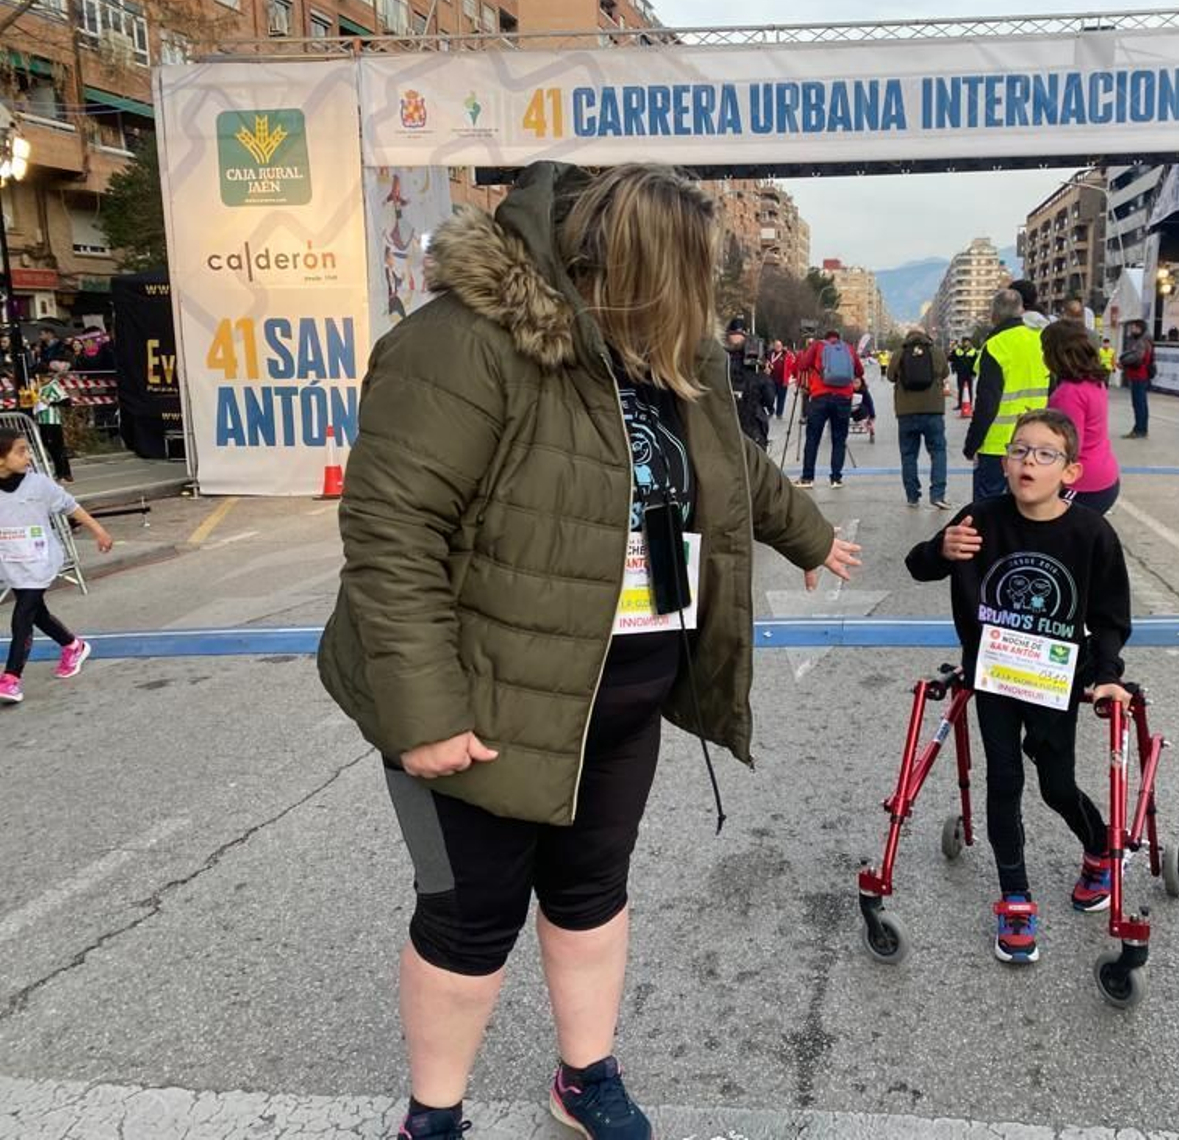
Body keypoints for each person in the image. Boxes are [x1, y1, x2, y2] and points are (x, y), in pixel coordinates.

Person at [317, 162, 862, 1140]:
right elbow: (391, 535)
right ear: (638, 267)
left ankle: (585, 1074)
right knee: (465, 926)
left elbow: (728, 461)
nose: (709, 303)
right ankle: (431, 1118)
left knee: (590, 896)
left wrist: (809, 534)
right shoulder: (461, 346)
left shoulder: (656, 350)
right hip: (484, 706)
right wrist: (424, 713)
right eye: (693, 276)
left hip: (621, 698)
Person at [905, 408, 1132, 963]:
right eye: (1019, 451)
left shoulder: (1091, 533)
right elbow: (918, 566)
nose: (1029, 461)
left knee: (1056, 783)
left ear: (1071, 472)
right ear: (1004, 464)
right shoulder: (979, 519)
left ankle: (1100, 848)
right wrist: (941, 550)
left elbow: (1109, 615)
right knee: (1003, 780)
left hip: (1055, 674)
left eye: (1045, 454)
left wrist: (1106, 676)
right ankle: (1015, 897)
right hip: (995, 672)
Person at [0, 427, 113, 705]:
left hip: (41, 560)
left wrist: (99, 531)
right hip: (12, 562)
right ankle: (73, 645)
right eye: (20, 451)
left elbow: (69, 506)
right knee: (37, 614)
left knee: (23, 615)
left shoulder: (38, 484)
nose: (28, 455)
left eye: (27, 449)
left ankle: (11, 678)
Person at [964, 288, 1050, 502]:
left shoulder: (995, 345)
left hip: (997, 444)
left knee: (987, 510)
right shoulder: (1042, 340)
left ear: (994, 315)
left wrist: (972, 444)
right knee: (1028, 505)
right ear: (1021, 311)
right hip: (1036, 440)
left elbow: (986, 402)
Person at [1044, 322, 1122, 515]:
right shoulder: (1094, 382)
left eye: (1044, 350)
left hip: (1081, 485)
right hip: (1105, 475)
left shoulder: (1068, 394)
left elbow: (1069, 447)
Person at [888, 327, 951, 510]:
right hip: (933, 411)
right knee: (938, 452)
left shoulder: (900, 352)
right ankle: (937, 494)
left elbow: (891, 376)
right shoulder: (936, 352)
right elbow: (945, 373)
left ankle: (912, 496)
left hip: (906, 412)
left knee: (908, 455)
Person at [794, 327, 864, 489]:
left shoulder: (818, 346)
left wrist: (806, 354)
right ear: (839, 338)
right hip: (843, 398)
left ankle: (807, 477)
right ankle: (836, 478)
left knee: (813, 438)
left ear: (825, 337)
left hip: (820, 396)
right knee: (839, 439)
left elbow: (803, 365)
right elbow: (860, 370)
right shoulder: (848, 348)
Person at [727, 324, 778, 450]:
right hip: (752, 429)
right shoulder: (756, 370)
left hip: (725, 429)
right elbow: (769, 400)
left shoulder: (719, 365)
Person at [32, 361, 74, 482]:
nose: (38, 378)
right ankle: (62, 471)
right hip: (41, 420)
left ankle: (63, 473)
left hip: (53, 420)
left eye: (39, 376)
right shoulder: (39, 387)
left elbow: (67, 402)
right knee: (49, 446)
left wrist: (51, 402)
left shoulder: (53, 385)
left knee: (57, 447)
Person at [1119, 320, 1154, 439]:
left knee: (1139, 403)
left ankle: (1140, 429)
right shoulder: (1145, 340)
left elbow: (1137, 357)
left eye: (1133, 328)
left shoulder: (1141, 342)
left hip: (1139, 375)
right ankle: (1141, 429)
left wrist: (1123, 361)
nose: (1131, 331)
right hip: (1139, 375)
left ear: (1139, 328)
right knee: (1141, 403)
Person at [950, 335, 980, 411]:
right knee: (960, 389)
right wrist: (953, 350)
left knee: (969, 389)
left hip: (969, 374)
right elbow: (951, 359)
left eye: (967, 341)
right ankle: (960, 404)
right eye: (964, 341)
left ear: (970, 342)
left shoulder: (973, 351)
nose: (966, 343)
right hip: (960, 373)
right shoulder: (958, 350)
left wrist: (974, 374)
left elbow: (976, 364)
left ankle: (969, 404)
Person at [767, 339, 795, 419]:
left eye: (779, 346)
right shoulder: (770, 353)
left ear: (782, 346)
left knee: (781, 398)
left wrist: (790, 376)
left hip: (782, 380)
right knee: (770, 397)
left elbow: (791, 365)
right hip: (771, 379)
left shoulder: (786, 354)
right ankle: (771, 411)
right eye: (776, 346)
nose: (778, 347)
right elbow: (765, 361)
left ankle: (779, 413)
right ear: (774, 346)